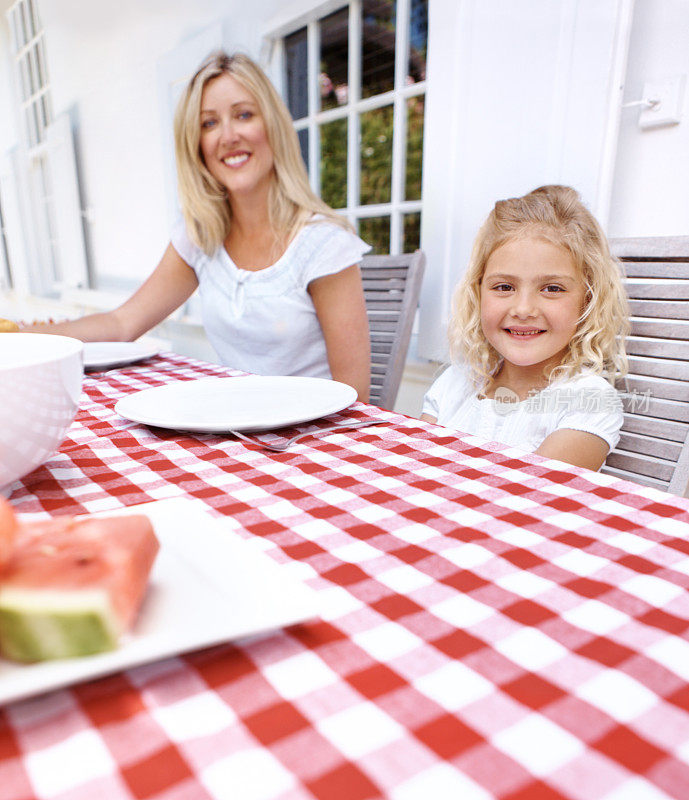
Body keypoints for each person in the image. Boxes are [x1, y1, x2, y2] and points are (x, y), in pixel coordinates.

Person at [15, 51, 371, 401]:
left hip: (308, 442)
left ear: (272, 126)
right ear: (196, 145)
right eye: (209, 123)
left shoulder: (324, 244)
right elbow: (122, 324)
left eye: (243, 115)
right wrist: (19, 333)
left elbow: (354, 398)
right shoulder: (201, 235)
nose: (228, 136)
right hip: (234, 431)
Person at [421, 185, 629, 471]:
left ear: (588, 299)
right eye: (504, 286)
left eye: (552, 288)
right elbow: (414, 468)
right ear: (477, 292)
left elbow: (526, 498)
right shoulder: (454, 383)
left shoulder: (587, 401)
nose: (523, 309)